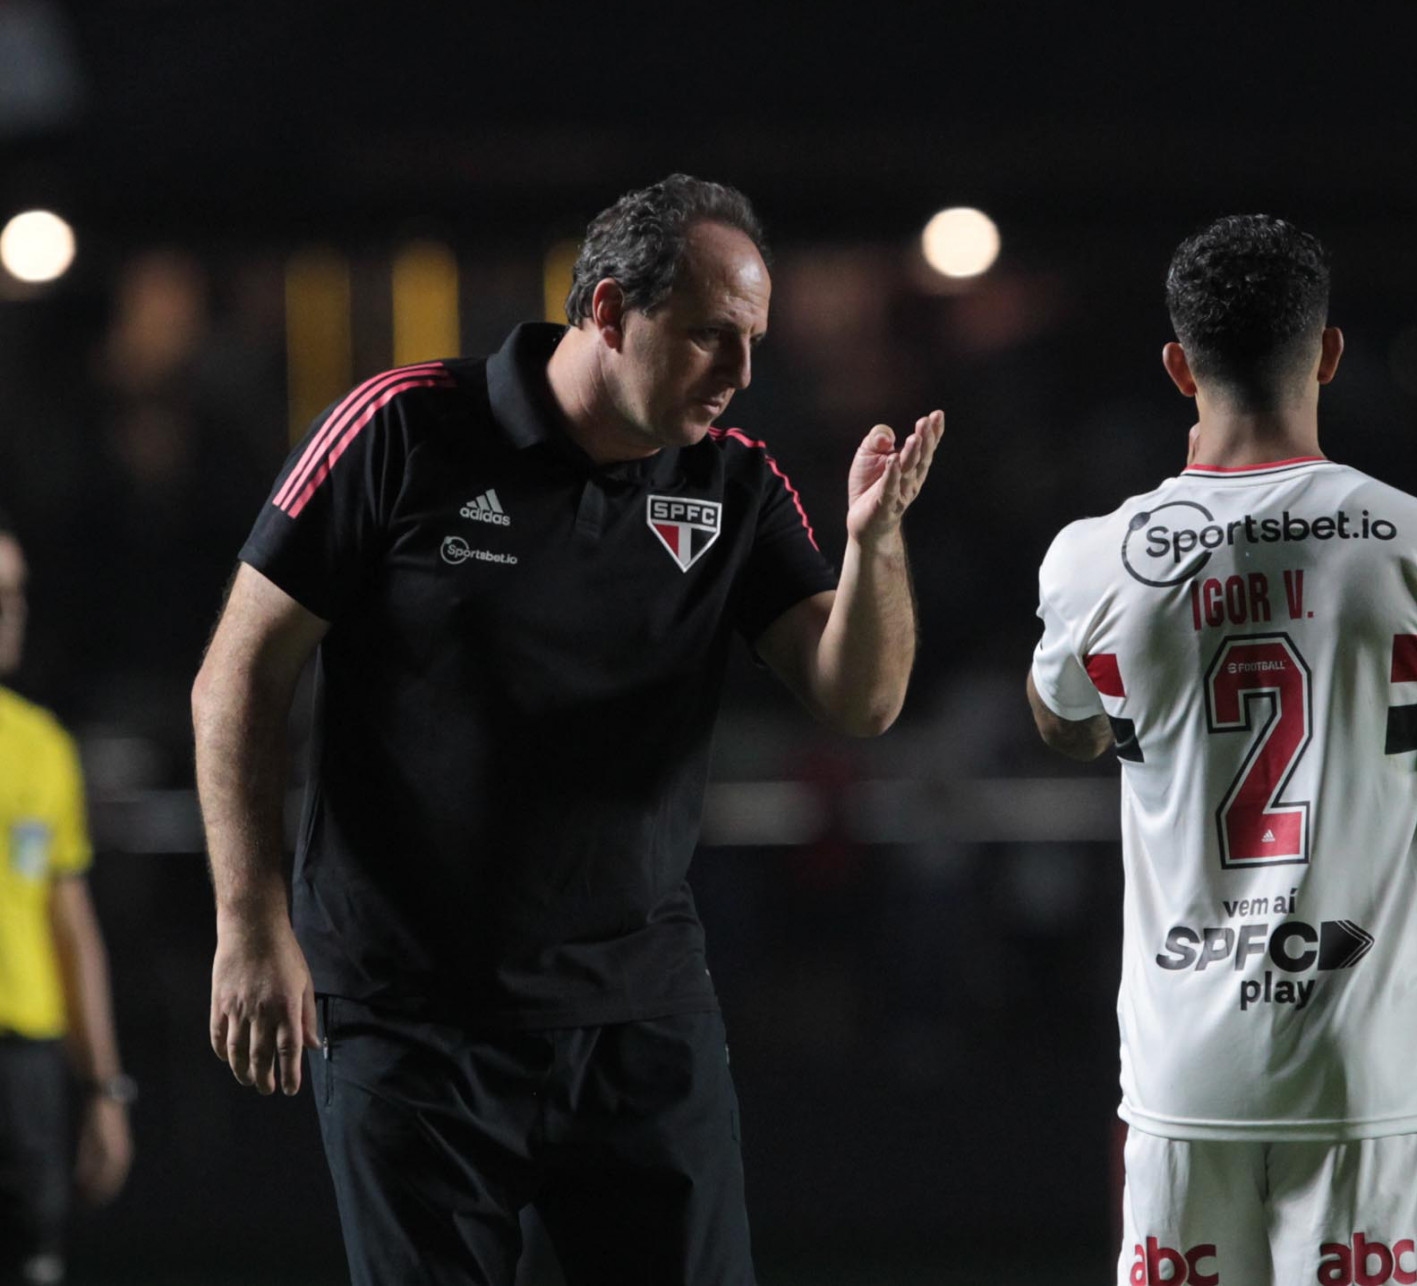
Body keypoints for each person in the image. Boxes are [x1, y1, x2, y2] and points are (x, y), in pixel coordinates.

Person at [192, 174, 944, 1286]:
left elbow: (860, 698)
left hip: (640, 1008)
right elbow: (237, 677)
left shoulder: (731, 480)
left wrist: (875, 545)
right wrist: (250, 919)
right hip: (411, 1016)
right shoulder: (401, 426)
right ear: (604, 311)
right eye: (707, 338)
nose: (740, 373)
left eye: (752, 340)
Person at [1026, 216, 1417, 1285]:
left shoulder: (1094, 558)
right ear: (1327, 353)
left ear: (1179, 367)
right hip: (1367, 1077)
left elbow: (1064, 721)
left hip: (1183, 1080)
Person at [0, 508, 135, 1285]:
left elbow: (71, 927)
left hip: (24, 1066)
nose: (10, 613)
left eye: (15, 594)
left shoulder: (42, 749)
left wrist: (103, 1088)